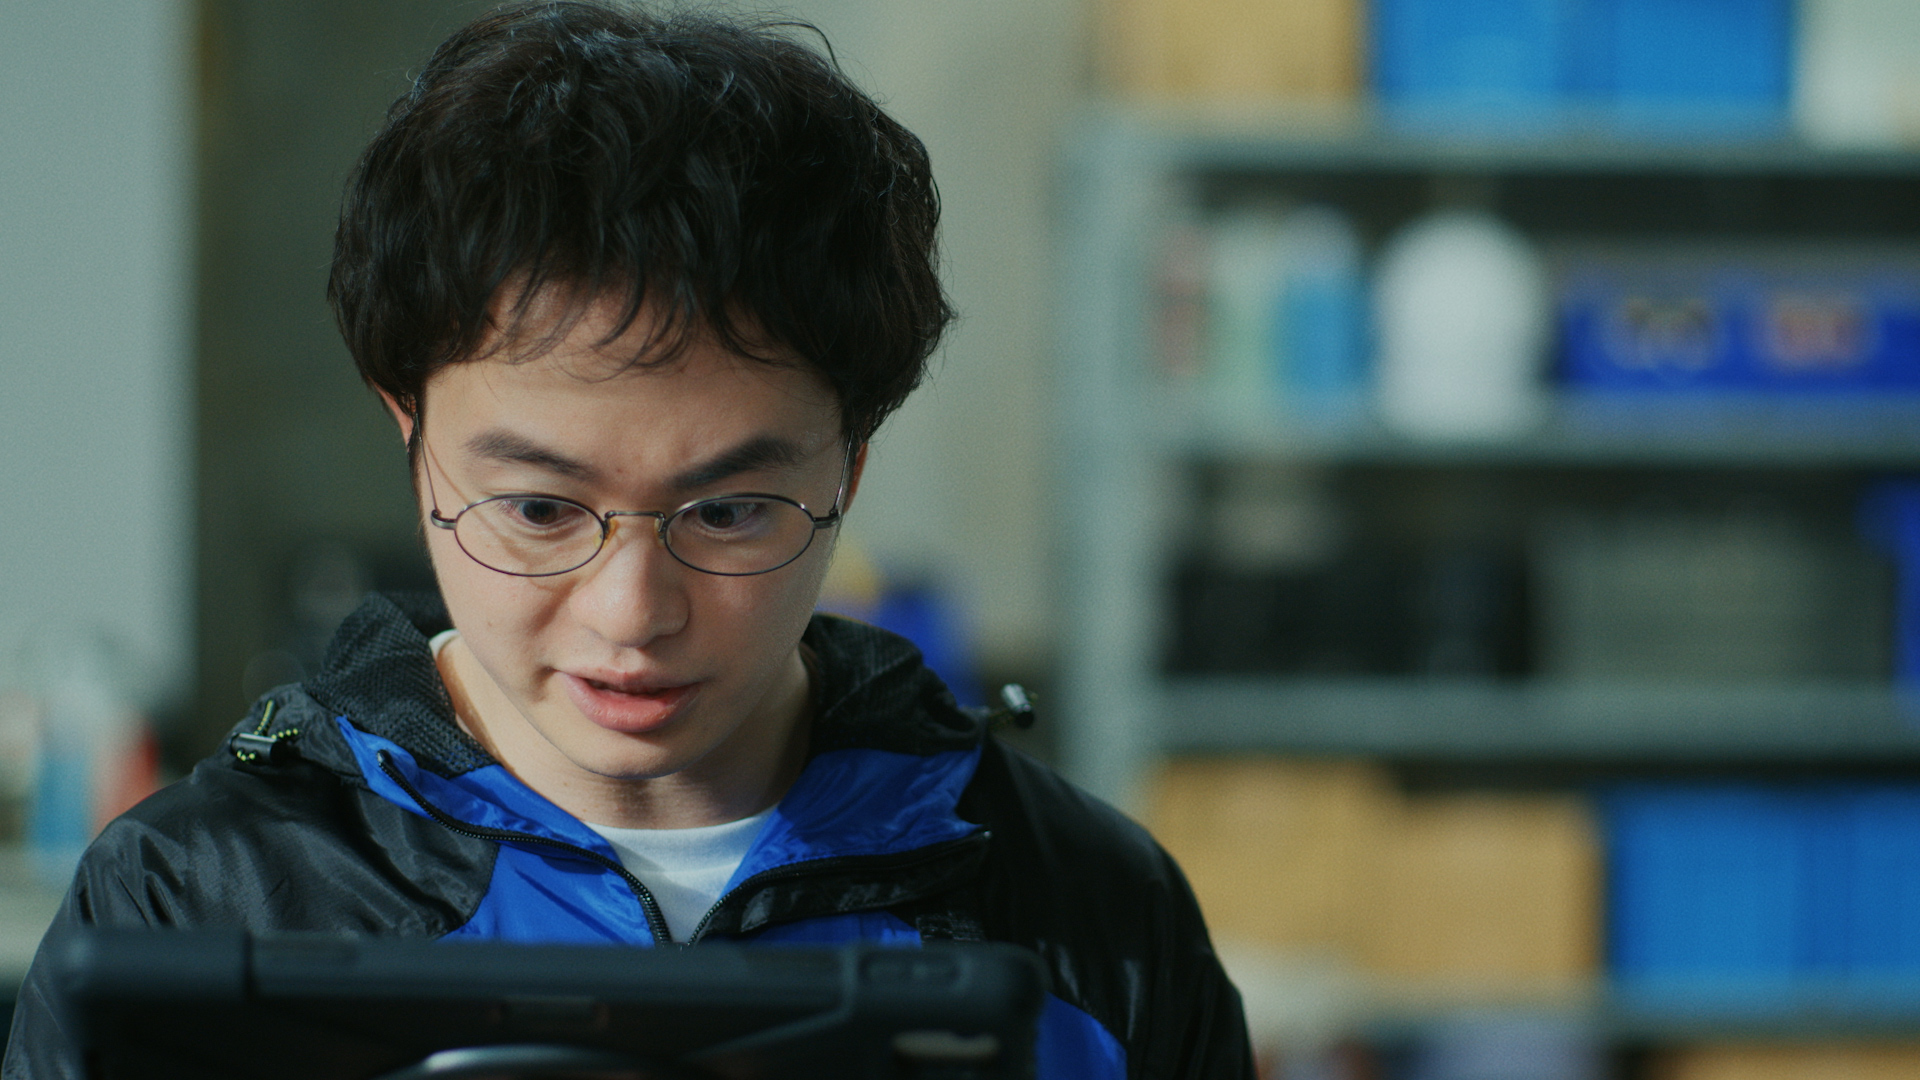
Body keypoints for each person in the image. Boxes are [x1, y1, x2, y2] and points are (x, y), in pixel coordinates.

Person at [2, 3, 1254, 1077]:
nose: (631, 614)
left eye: (730, 511)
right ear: (411, 434)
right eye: (540, 510)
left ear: (850, 467)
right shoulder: (197, 909)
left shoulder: (1084, 916)